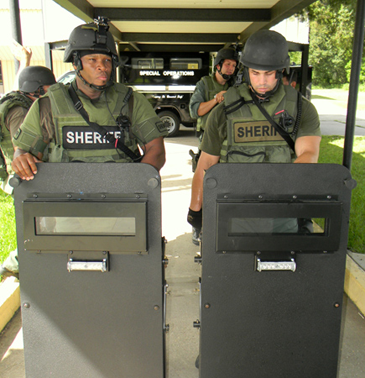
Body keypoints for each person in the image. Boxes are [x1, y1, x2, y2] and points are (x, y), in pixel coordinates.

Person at [187, 29, 321, 236]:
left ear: (280, 71)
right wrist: (195, 210)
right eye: (255, 73)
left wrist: (272, 189)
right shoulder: (224, 111)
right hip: (234, 210)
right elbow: (206, 164)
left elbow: (309, 155)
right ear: (246, 70)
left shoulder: (301, 109)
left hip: (282, 211)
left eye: (268, 73)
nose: (262, 81)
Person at [11, 17, 167, 184]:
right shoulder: (49, 105)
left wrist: (132, 184)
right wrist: (21, 158)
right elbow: (24, 152)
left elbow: (156, 151)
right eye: (92, 60)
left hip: (120, 197)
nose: (102, 67)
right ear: (76, 64)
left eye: (107, 60)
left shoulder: (131, 101)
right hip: (66, 197)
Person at [0, 66, 57, 278]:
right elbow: (22, 147)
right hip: (24, 177)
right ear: (38, 89)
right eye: (49, 88)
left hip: (30, 175)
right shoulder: (19, 110)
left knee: (43, 224)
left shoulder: (24, 102)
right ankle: (15, 264)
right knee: (38, 225)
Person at [188, 47, 238, 245]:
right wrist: (216, 100)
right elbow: (195, 111)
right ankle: (197, 226)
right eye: (228, 64)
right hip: (207, 143)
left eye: (234, 65)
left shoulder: (236, 86)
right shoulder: (205, 84)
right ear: (218, 65)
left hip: (228, 144)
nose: (231, 69)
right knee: (201, 185)